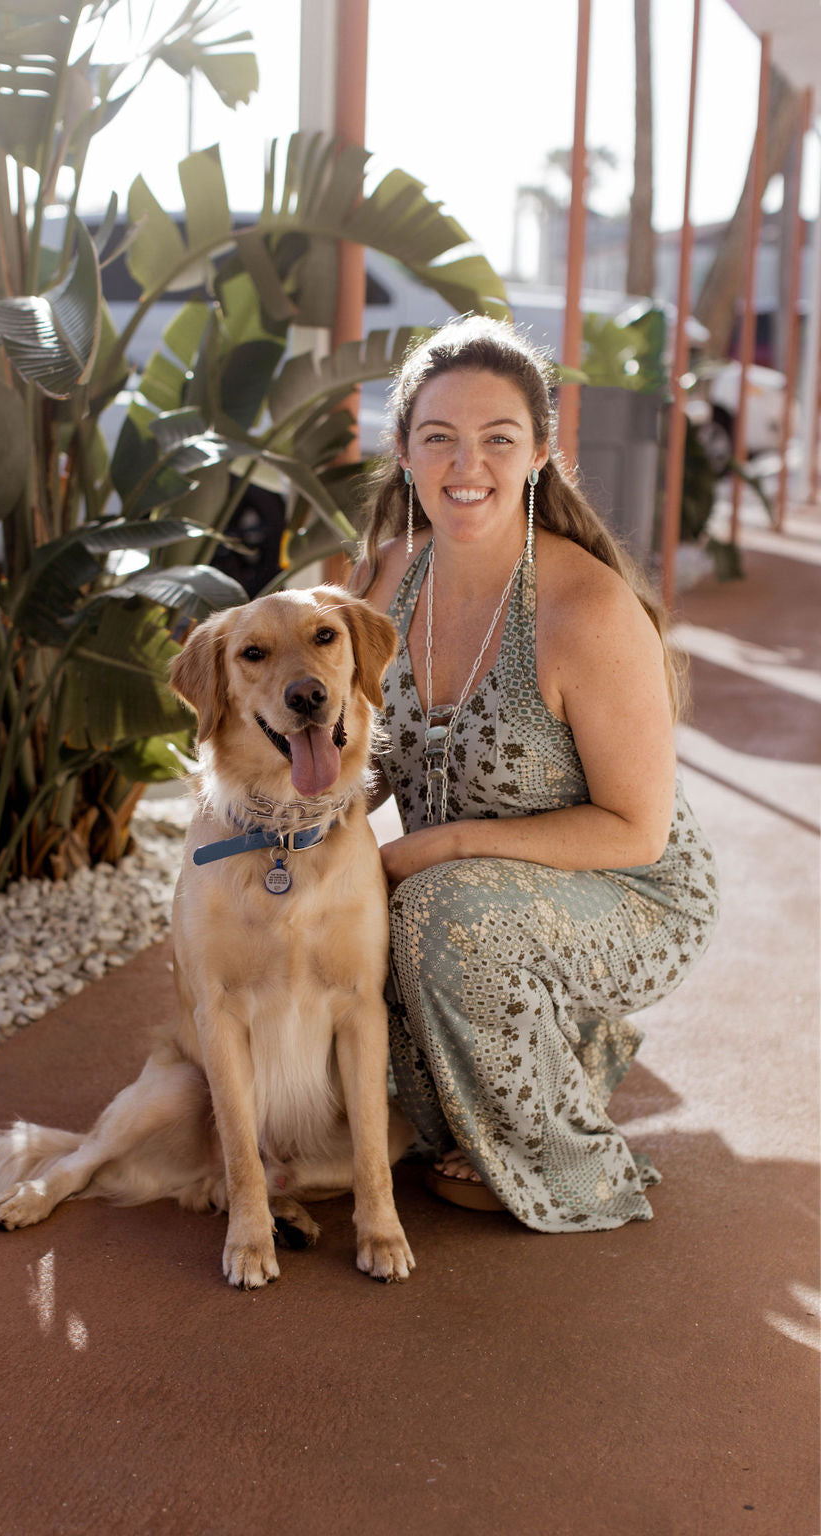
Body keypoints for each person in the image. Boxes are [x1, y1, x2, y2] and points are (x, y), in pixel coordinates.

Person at [352, 314, 718, 1233]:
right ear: (403, 452)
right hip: (472, 883)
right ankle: (541, 1055)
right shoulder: (384, 578)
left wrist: (441, 845)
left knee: (434, 913)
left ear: (541, 453)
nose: (464, 463)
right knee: (347, 905)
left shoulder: (583, 608)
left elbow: (637, 829)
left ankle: (575, 1166)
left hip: (633, 890)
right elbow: (359, 763)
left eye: (497, 439)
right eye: (438, 437)